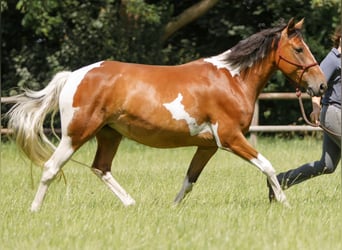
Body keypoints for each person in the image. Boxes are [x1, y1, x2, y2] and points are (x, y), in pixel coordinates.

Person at [268, 25, 341, 201]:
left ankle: (280, 181)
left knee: (327, 166)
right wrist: (316, 107)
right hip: (333, 112)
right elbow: (317, 83)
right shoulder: (333, 60)